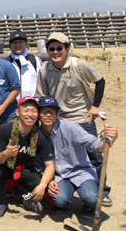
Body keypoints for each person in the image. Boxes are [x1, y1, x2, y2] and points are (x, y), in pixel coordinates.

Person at [35, 32, 111, 206]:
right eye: (51, 48)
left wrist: (95, 107)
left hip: (82, 118)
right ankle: (66, 186)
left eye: (59, 48)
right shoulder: (45, 69)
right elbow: (41, 94)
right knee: (59, 156)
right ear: (47, 51)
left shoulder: (79, 64)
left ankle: (103, 191)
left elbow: (100, 81)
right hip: (57, 121)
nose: (56, 52)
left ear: (67, 49)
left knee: (95, 156)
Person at [37, 96, 118, 219]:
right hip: (58, 175)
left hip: (81, 171)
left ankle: (89, 206)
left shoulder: (71, 127)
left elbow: (95, 145)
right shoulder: (36, 135)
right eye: (44, 111)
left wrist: (109, 140)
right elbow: (38, 163)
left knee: (92, 198)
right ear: (38, 115)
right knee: (59, 200)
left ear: (57, 114)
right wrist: (47, 180)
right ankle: (63, 199)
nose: (48, 115)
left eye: (52, 111)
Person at [0, 96, 55, 217]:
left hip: (23, 168)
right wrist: (6, 153)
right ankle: (0, 202)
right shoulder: (5, 130)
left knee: (40, 183)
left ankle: (19, 193)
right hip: (4, 165)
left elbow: (50, 165)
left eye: (34, 111)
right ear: (18, 112)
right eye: (26, 110)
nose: (30, 114)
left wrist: (42, 185)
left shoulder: (39, 135)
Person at [5, 30, 42, 100]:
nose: (17, 45)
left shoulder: (35, 60)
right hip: (12, 105)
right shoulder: (6, 62)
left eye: (21, 42)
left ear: (26, 44)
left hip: (32, 103)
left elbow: (41, 82)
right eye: (14, 42)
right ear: (10, 45)